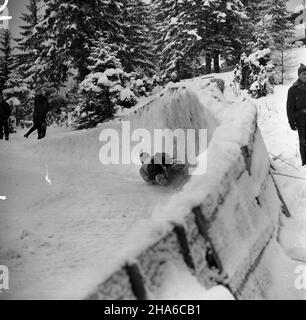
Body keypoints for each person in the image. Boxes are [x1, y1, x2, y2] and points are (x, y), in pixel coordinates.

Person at [287, 64, 306, 166]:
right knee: (303, 144)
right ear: (299, 75)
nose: (305, 75)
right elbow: (289, 108)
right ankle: (305, 164)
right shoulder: (293, 90)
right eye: (303, 74)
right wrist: (291, 122)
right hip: (301, 122)